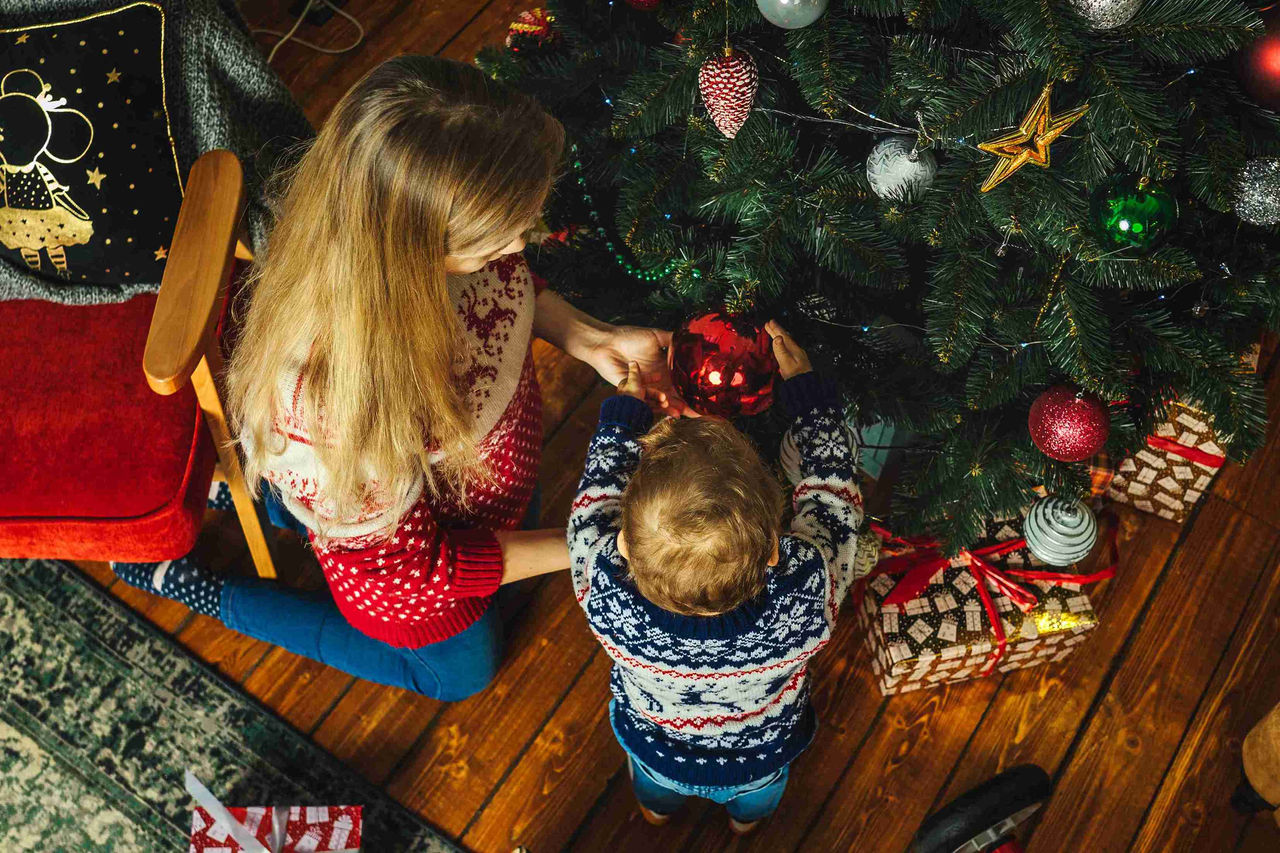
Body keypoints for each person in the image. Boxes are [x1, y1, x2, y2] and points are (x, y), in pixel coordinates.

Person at [112, 55, 688, 701]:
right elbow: (409, 575)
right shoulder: (333, 401)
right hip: (408, 571)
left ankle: (273, 502)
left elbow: (505, 283)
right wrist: (588, 544)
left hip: (451, 500)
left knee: (343, 512)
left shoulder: (408, 229)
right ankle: (201, 587)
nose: (520, 247)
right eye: (498, 238)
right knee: (459, 675)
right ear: (416, 248)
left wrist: (590, 336)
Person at [566, 321, 864, 833]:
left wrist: (622, 421)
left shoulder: (605, 592)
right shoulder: (806, 592)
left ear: (624, 548)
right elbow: (836, 502)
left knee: (654, 790)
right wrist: (811, 404)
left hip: (657, 751)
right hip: (760, 760)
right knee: (754, 803)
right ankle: (745, 824)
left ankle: (657, 811)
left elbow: (594, 504)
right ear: (775, 549)